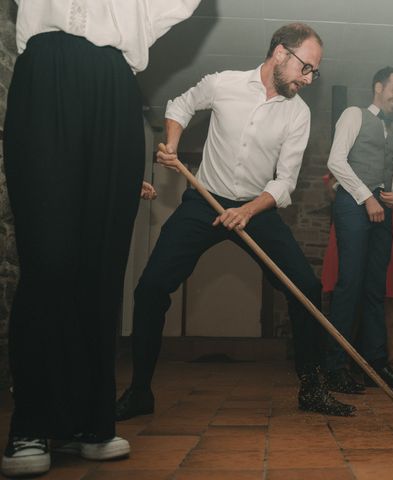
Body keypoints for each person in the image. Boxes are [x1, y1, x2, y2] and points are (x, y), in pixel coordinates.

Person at [115, 23, 356, 423]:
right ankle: (140, 391)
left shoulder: (298, 114)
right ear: (280, 53)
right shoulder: (223, 83)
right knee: (151, 288)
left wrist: (247, 211)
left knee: (306, 287)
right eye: (307, 68)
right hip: (203, 202)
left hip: (257, 209)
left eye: (314, 72)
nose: (309, 79)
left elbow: (284, 181)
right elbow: (179, 105)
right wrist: (171, 145)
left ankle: (312, 387)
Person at [1, 1, 201, 477]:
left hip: (115, 81)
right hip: (46, 70)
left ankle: (91, 421)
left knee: (103, 264)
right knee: (48, 256)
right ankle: (31, 422)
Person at [324, 67, 393, 393]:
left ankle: (376, 367)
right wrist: (367, 198)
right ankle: (335, 368)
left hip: (382, 207)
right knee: (349, 284)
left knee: (376, 289)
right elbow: (336, 161)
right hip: (353, 203)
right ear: (378, 87)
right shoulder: (354, 114)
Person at [321, 174, 393, 382]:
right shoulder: (346, 161)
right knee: (350, 295)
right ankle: (342, 361)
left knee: (392, 297)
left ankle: (391, 361)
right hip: (352, 227)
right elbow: (331, 194)